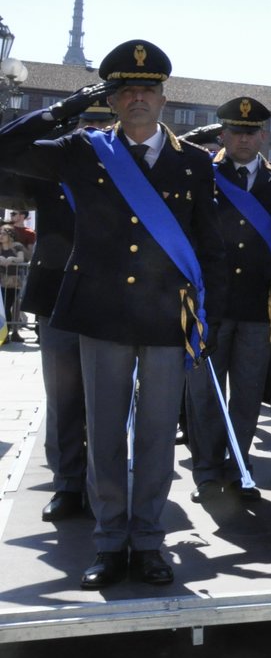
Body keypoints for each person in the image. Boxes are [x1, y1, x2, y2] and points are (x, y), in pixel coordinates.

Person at [0, 39, 227, 589]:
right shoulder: (82, 149)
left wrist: (203, 316)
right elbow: (5, 149)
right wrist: (68, 106)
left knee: (154, 436)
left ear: (164, 98)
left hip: (165, 319)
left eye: (148, 89)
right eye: (126, 90)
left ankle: (148, 541)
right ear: (113, 99)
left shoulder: (195, 163)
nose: (138, 98)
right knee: (103, 433)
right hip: (100, 314)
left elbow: (207, 245)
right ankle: (107, 541)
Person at [184, 96, 271, 504]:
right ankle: (206, 472)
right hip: (211, 306)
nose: (244, 138)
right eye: (235, 131)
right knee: (204, 396)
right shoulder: (200, 176)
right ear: (221, 133)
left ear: (263, 135)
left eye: (251, 131)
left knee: (246, 395)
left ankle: (239, 467)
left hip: (259, 308)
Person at [20, 98, 115, 521]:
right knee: (63, 397)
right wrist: (55, 112)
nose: (93, 131)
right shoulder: (52, 169)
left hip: (111, 295)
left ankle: (105, 484)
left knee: (108, 398)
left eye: (102, 124)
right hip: (56, 293)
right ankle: (67, 484)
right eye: (85, 123)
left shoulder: (126, 172)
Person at [0, 224, 26, 340]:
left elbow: (21, 259)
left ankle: (9, 333)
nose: (1, 236)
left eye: (3, 233)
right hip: (1, 280)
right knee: (3, 308)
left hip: (13, 282)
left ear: (10, 235)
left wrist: (12, 259)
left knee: (8, 307)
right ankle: (4, 334)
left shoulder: (17, 246)